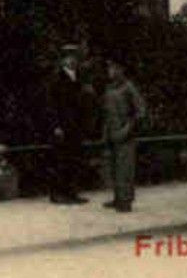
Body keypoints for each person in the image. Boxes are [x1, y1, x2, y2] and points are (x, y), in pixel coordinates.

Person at [99, 59, 149, 213]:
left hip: (125, 134)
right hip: (110, 132)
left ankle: (126, 201)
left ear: (121, 70)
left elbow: (141, 111)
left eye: (113, 68)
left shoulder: (128, 87)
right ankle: (117, 197)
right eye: (109, 69)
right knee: (113, 168)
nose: (110, 71)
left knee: (125, 169)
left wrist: (128, 128)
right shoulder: (109, 88)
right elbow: (106, 112)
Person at [45, 45, 92, 205]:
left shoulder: (79, 77)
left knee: (74, 159)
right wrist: (55, 125)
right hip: (62, 125)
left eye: (75, 57)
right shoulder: (56, 77)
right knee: (60, 160)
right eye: (68, 57)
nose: (72, 60)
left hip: (76, 125)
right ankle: (57, 194)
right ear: (62, 60)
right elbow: (51, 104)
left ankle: (72, 193)